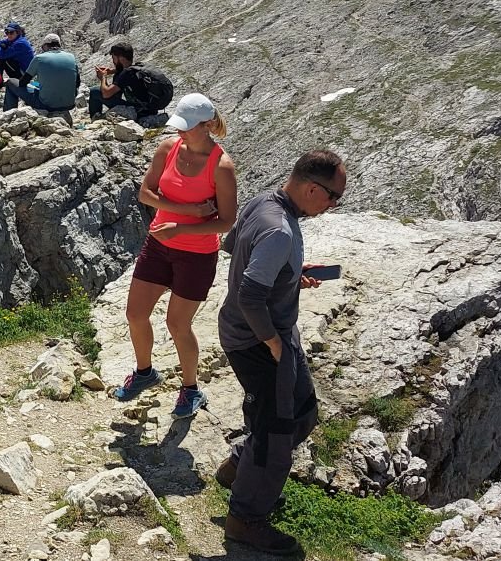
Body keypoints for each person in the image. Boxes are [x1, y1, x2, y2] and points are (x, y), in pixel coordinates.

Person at [214, 150, 348, 557]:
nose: (333, 205)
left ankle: (240, 468)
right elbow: (249, 295)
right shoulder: (280, 231)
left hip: (268, 334)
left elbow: (233, 248)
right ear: (312, 189)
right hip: (258, 341)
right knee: (275, 432)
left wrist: (289, 273)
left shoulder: (263, 203)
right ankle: (246, 520)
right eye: (333, 197)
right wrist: (273, 342)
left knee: (302, 412)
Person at [110, 93, 238, 418]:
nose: (180, 131)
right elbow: (145, 193)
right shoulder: (168, 149)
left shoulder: (221, 166)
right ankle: (144, 372)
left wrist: (180, 228)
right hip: (159, 244)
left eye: (187, 126)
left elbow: (226, 222)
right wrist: (187, 211)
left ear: (206, 125)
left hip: (196, 255)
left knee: (177, 324)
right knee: (135, 314)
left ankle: (191, 389)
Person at [86, 40, 174, 119]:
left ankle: (95, 118)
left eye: (114, 58)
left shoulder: (126, 73)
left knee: (95, 91)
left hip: (138, 111)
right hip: (150, 110)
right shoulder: (136, 69)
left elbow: (106, 94)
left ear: (121, 58)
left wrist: (103, 77)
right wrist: (112, 71)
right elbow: (123, 76)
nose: (113, 61)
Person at [5, 33, 79, 120]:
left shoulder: (39, 58)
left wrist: (33, 85)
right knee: (36, 84)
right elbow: (77, 83)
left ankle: (8, 116)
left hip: (46, 104)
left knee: (11, 82)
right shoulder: (71, 57)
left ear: (45, 46)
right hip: (69, 104)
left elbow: (22, 83)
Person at [0, 22, 34, 109]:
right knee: (2, 47)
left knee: (2, 54)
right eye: (7, 32)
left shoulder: (20, 43)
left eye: (11, 32)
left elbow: (3, 55)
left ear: (17, 32)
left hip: (24, 74)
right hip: (20, 69)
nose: (9, 35)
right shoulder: (13, 40)